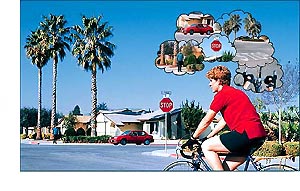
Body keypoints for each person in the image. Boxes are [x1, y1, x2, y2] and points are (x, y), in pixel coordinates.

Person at [186, 65, 266, 171]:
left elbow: (207, 120)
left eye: (211, 80)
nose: (209, 84)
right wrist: (210, 136)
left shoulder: (222, 95)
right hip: (258, 136)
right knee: (225, 169)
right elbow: (224, 121)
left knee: (206, 146)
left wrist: (193, 138)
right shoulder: (236, 93)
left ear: (219, 80)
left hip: (245, 133)